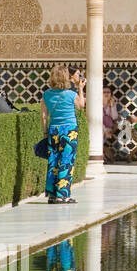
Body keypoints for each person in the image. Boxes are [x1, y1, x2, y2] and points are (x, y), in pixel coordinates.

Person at [40, 64, 84, 203]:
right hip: (69, 130)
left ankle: (52, 195)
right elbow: (81, 106)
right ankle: (63, 195)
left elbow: (44, 116)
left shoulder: (46, 94)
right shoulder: (71, 94)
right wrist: (81, 89)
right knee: (66, 161)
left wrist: (45, 132)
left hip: (53, 130)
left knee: (53, 161)